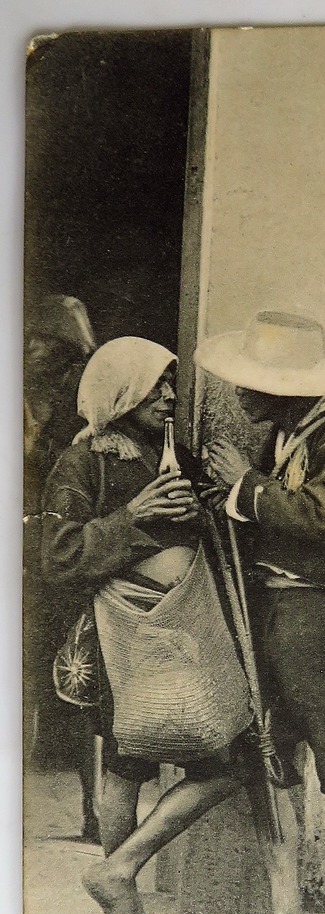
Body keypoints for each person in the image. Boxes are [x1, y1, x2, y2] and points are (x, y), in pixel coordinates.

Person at [42, 337, 243, 914]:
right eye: (156, 387)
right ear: (122, 393)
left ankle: (119, 871)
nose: (169, 397)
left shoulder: (173, 456)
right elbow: (56, 556)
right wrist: (130, 516)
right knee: (126, 763)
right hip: (119, 630)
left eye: (171, 386)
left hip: (181, 628)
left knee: (223, 760)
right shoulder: (82, 465)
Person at [195, 310, 325, 914]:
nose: (238, 394)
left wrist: (245, 483)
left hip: (310, 617)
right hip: (269, 611)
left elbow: (322, 520)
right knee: (271, 760)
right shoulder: (289, 435)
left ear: (288, 386)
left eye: (253, 382)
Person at [24, 295, 100, 839]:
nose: (30, 350)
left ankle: (94, 808)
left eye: (42, 342)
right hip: (29, 550)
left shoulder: (82, 403)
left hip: (64, 551)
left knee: (80, 677)